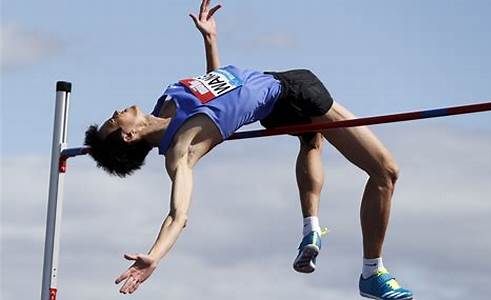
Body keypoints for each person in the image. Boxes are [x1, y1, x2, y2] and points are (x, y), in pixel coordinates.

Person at [84, 1, 413, 299]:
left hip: (275, 98)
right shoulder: (181, 151)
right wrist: (154, 255)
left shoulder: (167, 102)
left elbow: (220, 85)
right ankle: (372, 272)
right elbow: (178, 215)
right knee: (386, 170)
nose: (115, 112)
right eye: (113, 121)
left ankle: (311, 229)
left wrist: (210, 40)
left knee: (313, 139)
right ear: (127, 137)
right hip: (291, 92)